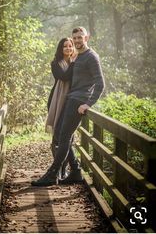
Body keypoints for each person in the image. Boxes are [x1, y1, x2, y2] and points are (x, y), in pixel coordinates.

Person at [32, 26, 105, 186]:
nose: (77, 40)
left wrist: (88, 103)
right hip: (70, 99)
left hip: (79, 101)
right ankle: (76, 171)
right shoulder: (78, 56)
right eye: (75, 38)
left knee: (64, 136)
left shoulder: (92, 57)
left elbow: (100, 83)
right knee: (59, 134)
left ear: (87, 37)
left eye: (80, 37)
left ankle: (52, 174)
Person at [45, 37, 76, 179]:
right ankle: (58, 170)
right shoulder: (56, 64)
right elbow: (63, 77)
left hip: (71, 103)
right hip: (57, 102)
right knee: (58, 136)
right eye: (65, 46)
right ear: (60, 49)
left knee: (69, 137)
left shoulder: (77, 62)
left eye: (70, 46)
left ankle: (64, 170)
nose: (68, 48)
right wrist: (75, 64)